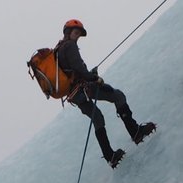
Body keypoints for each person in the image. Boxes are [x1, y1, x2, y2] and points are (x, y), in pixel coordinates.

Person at [56, 19, 156, 168]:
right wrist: (94, 77)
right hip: (84, 88)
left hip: (74, 95)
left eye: (78, 34)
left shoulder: (58, 49)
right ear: (67, 32)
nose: (77, 37)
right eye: (75, 33)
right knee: (118, 96)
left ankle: (110, 156)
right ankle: (135, 132)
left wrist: (88, 75)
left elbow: (71, 71)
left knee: (97, 118)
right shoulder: (70, 46)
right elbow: (78, 68)